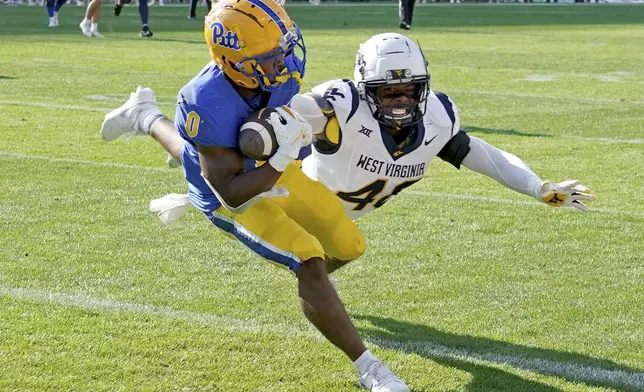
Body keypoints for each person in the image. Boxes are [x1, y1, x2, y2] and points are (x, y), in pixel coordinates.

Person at [100, 1, 410, 391]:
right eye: (267, 57)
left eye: (283, 47)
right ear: (234, 61)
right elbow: (230, 193)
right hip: (233, 195)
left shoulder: (279, 66)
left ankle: (143, 113)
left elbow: (281, 116)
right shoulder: (203, 99)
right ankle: (370, 369)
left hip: (267, 167)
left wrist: (295, 132)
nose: (283, 60)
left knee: (349, 245)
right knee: (307, 255)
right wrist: (279, 156)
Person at [291, 32, 595, 221]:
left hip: (341, 221)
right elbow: (293, 109)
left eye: (410, 90)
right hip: (295, 201)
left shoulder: (438, 118)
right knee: (338, 253)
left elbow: (490, 159)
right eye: (389, 92)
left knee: (346, 251)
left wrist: (537, 187)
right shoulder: (344, 106)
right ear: (365, 90)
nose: (401, 100)